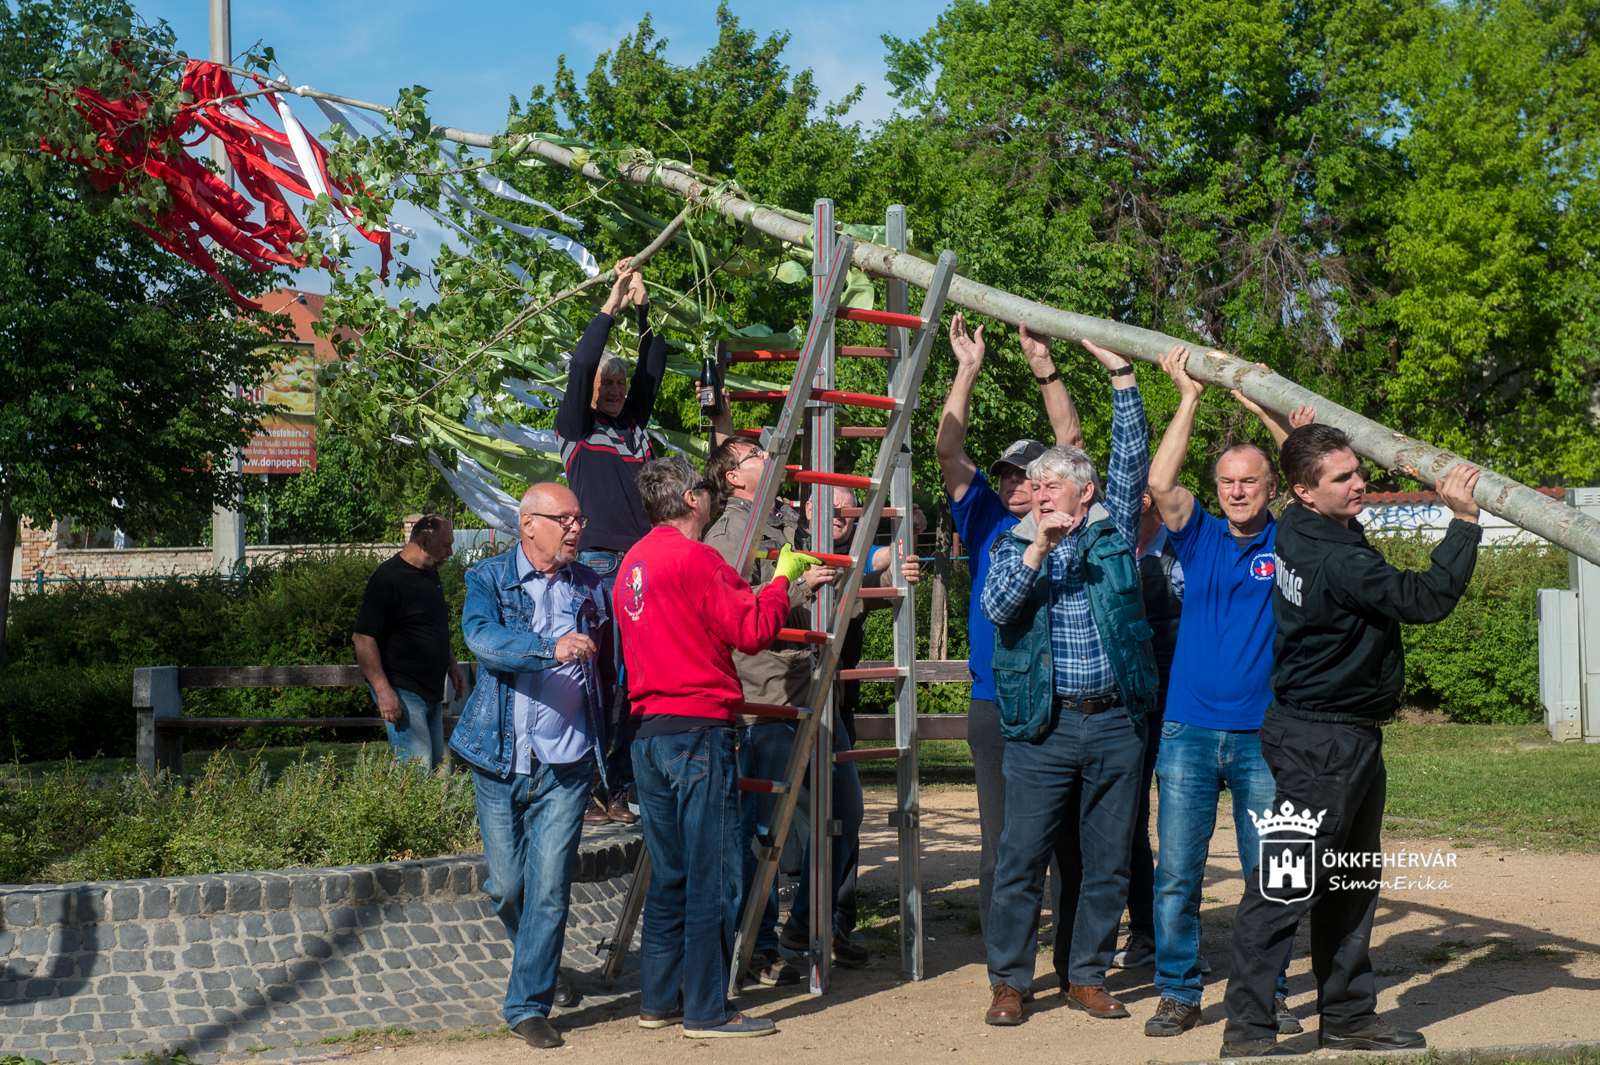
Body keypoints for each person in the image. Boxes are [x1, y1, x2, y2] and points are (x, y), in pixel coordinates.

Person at [1219, 426, 1481, 1058]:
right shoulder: (1336, 557)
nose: (1360, 482)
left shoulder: (1296, 524)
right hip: (1321, 744)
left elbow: (1309, 472)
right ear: (1306, 491)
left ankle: (1348, 1017)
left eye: (1357, 470)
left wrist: (1299, 431)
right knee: (1285, 885)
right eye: (1342, 478)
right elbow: (1423, 599)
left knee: (1351, 881)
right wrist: (1464, 522)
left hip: (1339, 735)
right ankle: (1249, 1029)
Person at [979, 338, 1155, 1027]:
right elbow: (997, 609)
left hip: (1114, 720)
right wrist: (1038, 546)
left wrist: (1121, 375)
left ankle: (1085, 973)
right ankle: (1009, 982)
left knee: (1107, 859)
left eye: (1052, 485)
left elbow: (1133, 455)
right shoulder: (1011, 541)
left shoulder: (1111, 529)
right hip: (1042, 726)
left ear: (1085, 493)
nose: (1038, 492)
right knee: (1021, 858)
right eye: (1034, 484)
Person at [1139, 346, 1313, 1038]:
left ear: (1269, 487)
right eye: (1227, 481)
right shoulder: (1200, 535)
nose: (1238, 490)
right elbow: (1158, 480)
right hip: (1187, 731)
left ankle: (1265, 991)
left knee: (1271, 871)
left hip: (1263, 736)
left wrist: (1269, 416)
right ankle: (1180, 990)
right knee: (1178, 873)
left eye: (1250, 481)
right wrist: (1188, 396)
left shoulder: (1293, 536)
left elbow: (1311, 484)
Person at [615, 454, 821, 1039]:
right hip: (698, 727)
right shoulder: (697, 558)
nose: (709, 497)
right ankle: (707, 1009)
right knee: (710, 874)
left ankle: (657, 1001)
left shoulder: (632, 562)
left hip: (649, 731)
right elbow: (752, 632)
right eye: (704, 489)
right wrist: (783, 579)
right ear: (691, 501)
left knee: (672, 875)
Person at [934, 313, 1086, 942]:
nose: (1017, 483)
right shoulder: (986, 522)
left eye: (1030, 474)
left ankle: (1075, 951)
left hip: (1063, 699)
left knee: (1067, 840)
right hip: (996, 700)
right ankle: (1006, 955)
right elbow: (947, 449)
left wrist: (1041, 366)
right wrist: (967, 369)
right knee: (1000, 840)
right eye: (1009, 474)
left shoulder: (1074, 520)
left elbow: (1072, 439)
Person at [451, 484, 617, 1050]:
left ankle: (528, 1004)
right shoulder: (488, 580)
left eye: (580, 517)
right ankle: (540, 963)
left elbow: (615, 661)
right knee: (508, 886)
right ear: (528, 524)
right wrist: (551, 648)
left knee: (549, 889)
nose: (577, 528)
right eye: (565, 519)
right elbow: (483, 640)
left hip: (568, 763)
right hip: (500, 759)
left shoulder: (593, 585)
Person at [555, 258, 665, 825]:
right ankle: (597, 783)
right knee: (602, 674)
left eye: (621, 382)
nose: (619, 389)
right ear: (591, 390)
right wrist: (610, 305)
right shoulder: (577, 426)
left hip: (641, 560)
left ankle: (618, 783)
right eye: (608, 383)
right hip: (598, 563)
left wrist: (643, 305)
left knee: (639, 672)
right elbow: (579, 362)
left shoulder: (635, 426)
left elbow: (656, 361)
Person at [352, 513, 467, 771]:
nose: (450, 552)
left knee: (438, 771)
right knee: (416, 770)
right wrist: (384, 692)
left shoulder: (430, 574)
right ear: (424, 542)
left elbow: (432, 625)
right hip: (403, 691)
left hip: (431, 692)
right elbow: (362, 639)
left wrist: (452, 664)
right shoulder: (388, 579)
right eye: (445, 545)